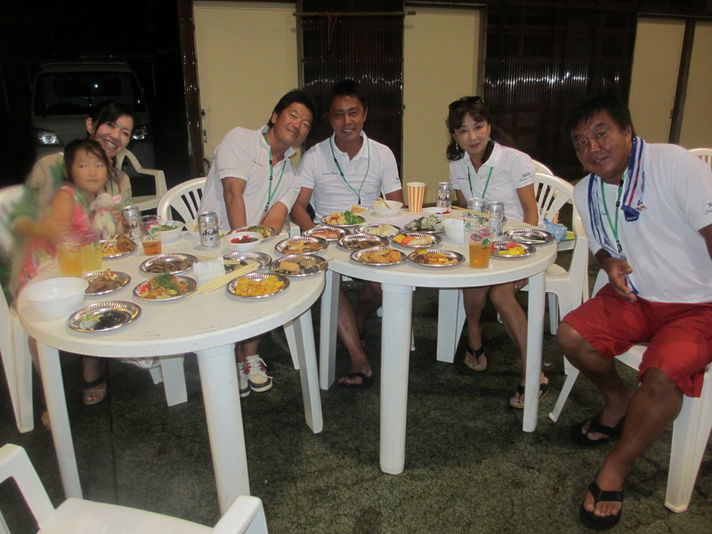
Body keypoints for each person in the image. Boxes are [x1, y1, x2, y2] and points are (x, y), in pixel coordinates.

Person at [557, 95, 712, 529]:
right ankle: (617, 399)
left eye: (601, 134)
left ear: (628, 132)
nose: (592, 148)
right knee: (571, 336)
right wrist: (609, 263)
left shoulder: (672, 165)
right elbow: (603, 244)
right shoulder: (586, 191)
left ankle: (617, 466)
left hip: (699, 305)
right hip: (636, 297)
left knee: (662, 375)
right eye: (580, 142)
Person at [10, 101, 136, 406]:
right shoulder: (52, 167)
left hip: (90, 261)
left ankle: (93, 363)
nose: (116, 136)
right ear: (91, 125)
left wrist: (118, 222)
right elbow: (19, 218)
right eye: (110, 125)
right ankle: (51, 397)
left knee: (121, 281)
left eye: (125, 132)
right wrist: (51, 228)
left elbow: (120, 235)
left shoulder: (119, 180)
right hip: (42, 264)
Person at [199, 89, 317, 396]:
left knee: (278, 277)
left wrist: (258, 253)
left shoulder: (292, 175)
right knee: (244, 275)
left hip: (254, 248)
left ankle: (248, 354)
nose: (298, 125)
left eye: (306, 123)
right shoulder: (240, 140)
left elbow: (275, 219)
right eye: (293, 116)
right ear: (275, 116)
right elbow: (232, 194)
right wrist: (243, 248)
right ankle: (228, 354)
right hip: (216, 243)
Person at [291, 79, 403, 387]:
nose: (347, 121)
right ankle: (358, 358)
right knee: (329, 282)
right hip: (328, 238)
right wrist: (315, 233)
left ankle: (358, 319)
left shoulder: (382, 154)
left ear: (364, 114)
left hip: (371, 237)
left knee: (380, 288)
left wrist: (384, 230)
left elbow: (396, 204)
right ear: (329, 118)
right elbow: (297, 205)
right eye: (338, 114)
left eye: (353, 113)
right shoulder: (315, 155)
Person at [446, 96, 542, 408]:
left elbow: (530, 211)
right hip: (480, 241)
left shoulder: (515, 160)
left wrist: (524, 256)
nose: (472, 136)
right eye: (463, 130)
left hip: (515, 241)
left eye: (478, 127)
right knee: (470, 274)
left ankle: (533, 371)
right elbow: (465, 208)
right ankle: (474, 337)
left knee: (500, 294)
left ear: (489, 126)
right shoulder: (457, 165)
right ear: (455, 135)